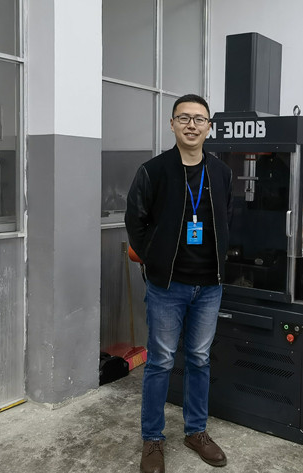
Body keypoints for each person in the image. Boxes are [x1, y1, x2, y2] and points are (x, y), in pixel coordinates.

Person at [126, 94, 233, 473]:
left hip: (209, 286)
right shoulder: (153, 171)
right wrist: (154, 259)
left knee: (200, 359)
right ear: (172, 124)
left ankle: (196, 431)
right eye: (183, 118)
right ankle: (153, 438)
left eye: (199, 119)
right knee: (160, 361)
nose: (191, 125)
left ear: (209, 127)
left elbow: (228, 218)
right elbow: (135, 220)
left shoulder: (221, 173)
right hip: (167, 286)